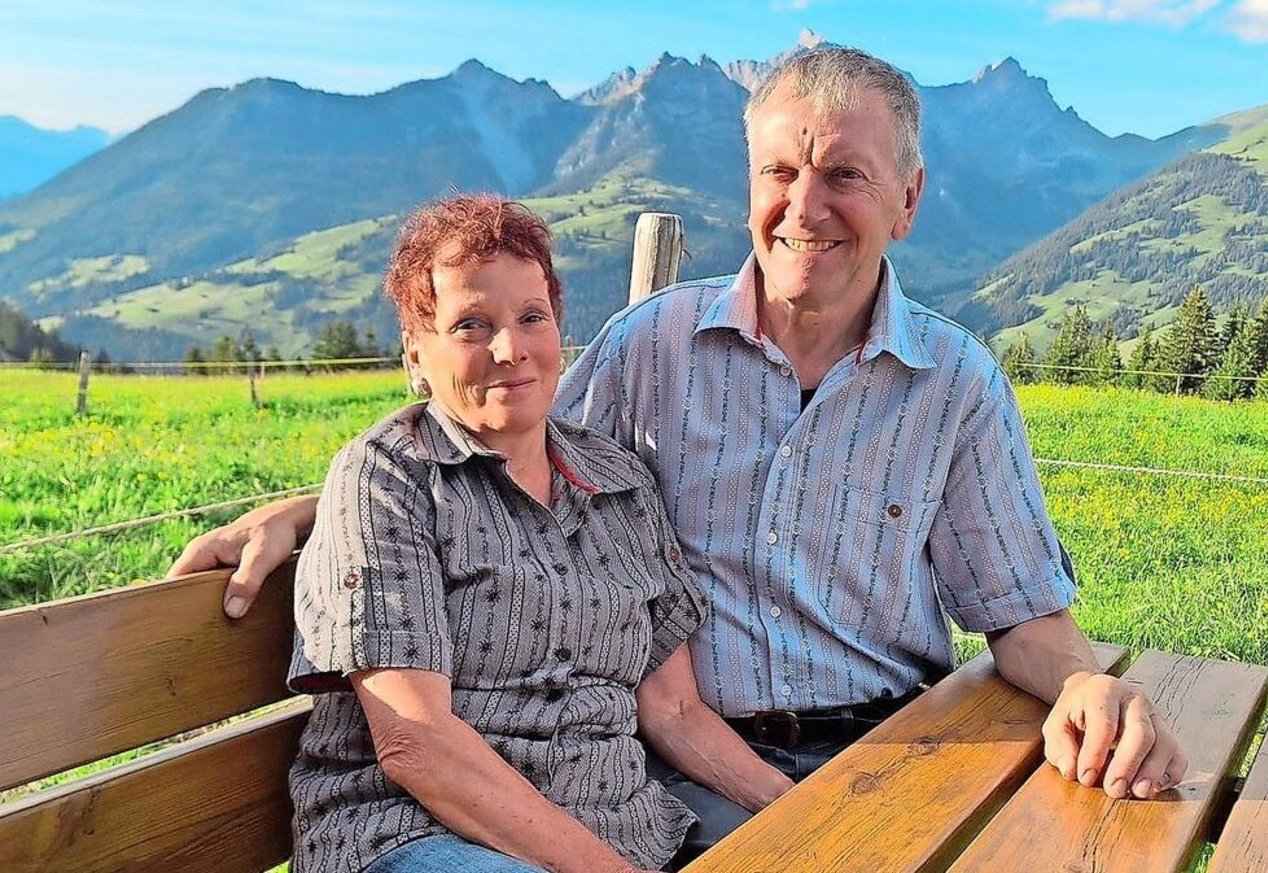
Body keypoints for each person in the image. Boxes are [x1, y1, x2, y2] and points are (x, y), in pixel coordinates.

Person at [173, 47, 1186, 858]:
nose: (803, 207)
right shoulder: (652, 347)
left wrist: (1086, 682)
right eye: (779, 172)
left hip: (893, 745)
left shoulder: (955, 384)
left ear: (907, 200)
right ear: (748, 184)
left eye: (843, 176)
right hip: (679, 766)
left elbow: (1021, 614)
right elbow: (487, 431)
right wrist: (318, 507)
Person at [281, 194, 793, 873]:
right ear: (416, 352)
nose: (510, 349)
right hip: (417, 833)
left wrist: (806, 809)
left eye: (531, 317)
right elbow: (417, 742)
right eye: (471, 324)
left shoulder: (617, 482)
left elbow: (672, 706)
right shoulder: (392, 479)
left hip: (622, 825)